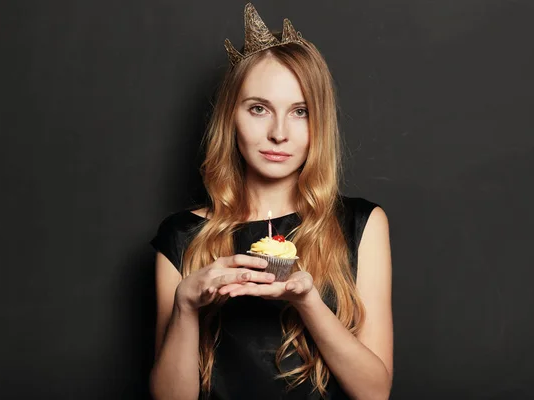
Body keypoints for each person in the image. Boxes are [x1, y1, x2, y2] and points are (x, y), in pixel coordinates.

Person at [149, 3, 393, 399]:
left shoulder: (360, 224)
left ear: (319, 123)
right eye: (259, 109)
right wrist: (186, 308)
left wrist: (308, 301)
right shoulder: (181, 236)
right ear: (231, 117)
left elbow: (375, 392)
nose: (279, 133)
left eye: (300, 111)